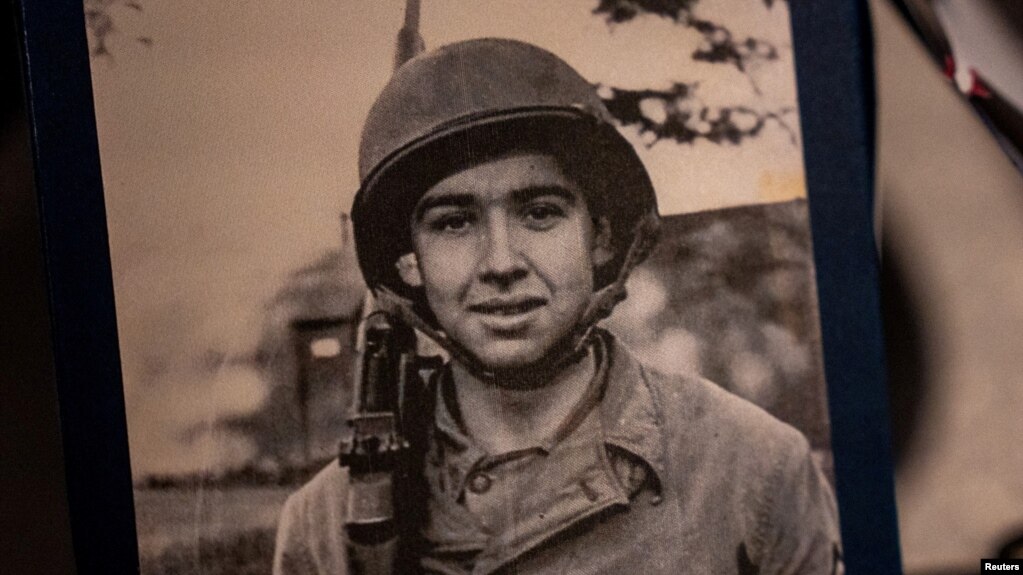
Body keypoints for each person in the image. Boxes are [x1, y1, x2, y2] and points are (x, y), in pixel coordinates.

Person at [274, 38, 842, 575]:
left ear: (599, 237)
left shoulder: (753, 471)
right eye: (453, 222)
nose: (500, 262)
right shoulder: (323, 527)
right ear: (409, 263)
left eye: (540, 212)